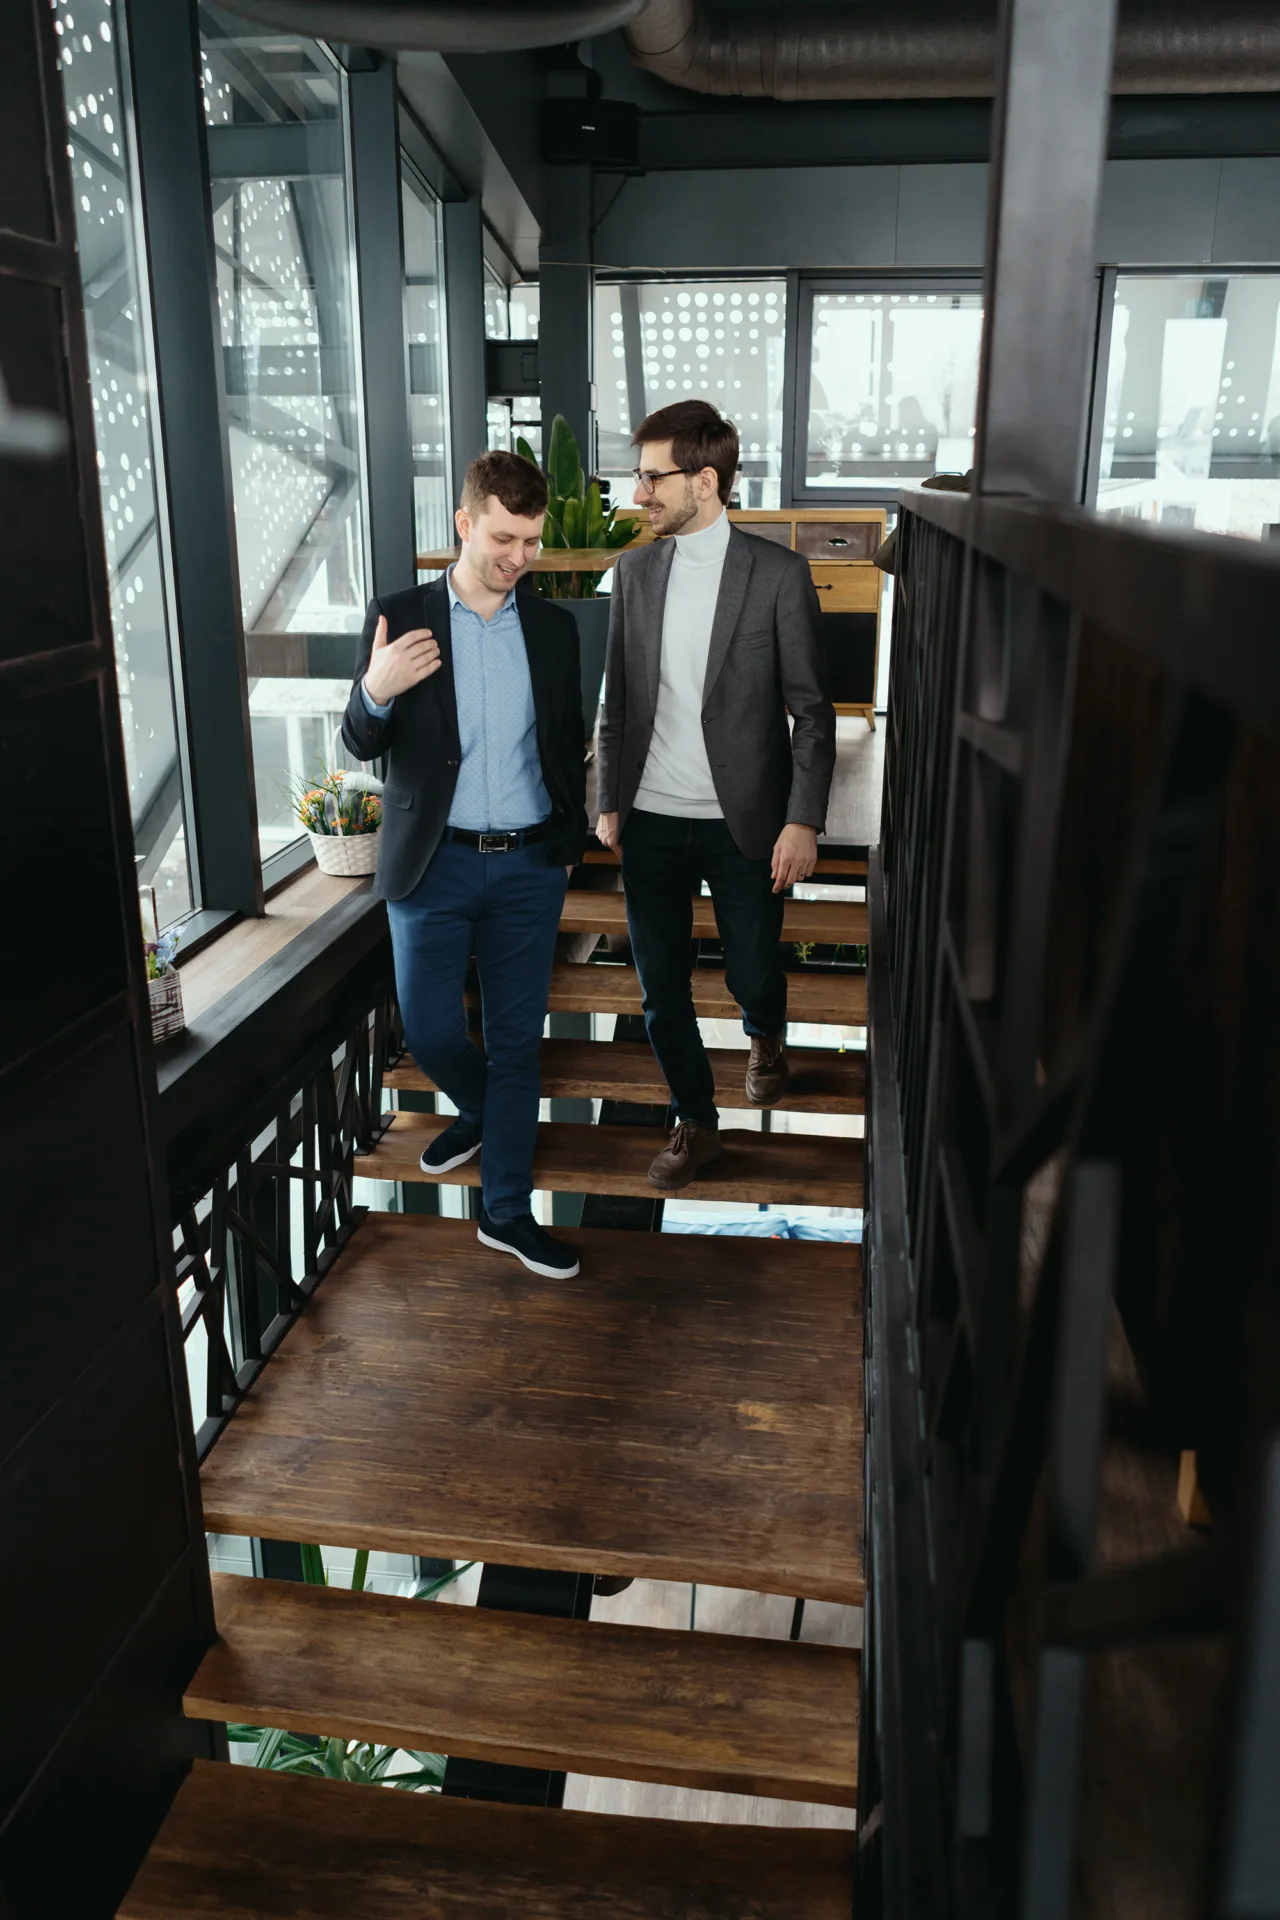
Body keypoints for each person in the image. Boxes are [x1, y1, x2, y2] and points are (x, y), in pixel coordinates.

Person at [342, 450, 587, 1278]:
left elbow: (565, 743)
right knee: (431, 1028)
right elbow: (359, 741)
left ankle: (505, 1212)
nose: (518, 557)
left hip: (527, 866)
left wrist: (565, 848)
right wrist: (375, 689)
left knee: (518, 1044)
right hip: (432, 865)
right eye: (502, 538)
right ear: (464, 523)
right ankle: (483, 1111)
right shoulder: (399, 615)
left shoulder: (553, 629)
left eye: (531, 541)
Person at [596, 400, 836, 1192]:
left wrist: (802, 820)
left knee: (752, 969)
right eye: (639, 478)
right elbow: (617, 700)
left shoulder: (778, 576)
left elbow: (812, 712)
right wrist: (608, 798)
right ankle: (695, 1122)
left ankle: (765, 1034)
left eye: (651, 478)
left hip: (746, 822)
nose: (640, 494)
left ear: (704, 481)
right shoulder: (634, 574)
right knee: (660, 987)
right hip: (652, 817)